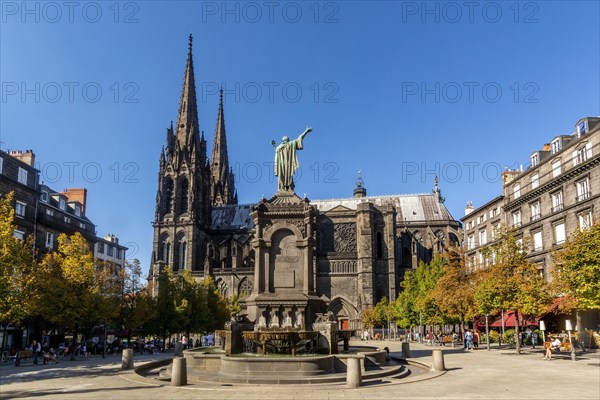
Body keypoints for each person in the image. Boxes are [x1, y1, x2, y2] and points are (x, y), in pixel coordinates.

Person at [271, 126, 312, 192]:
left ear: (282, 140)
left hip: (281, 166)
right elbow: (300, 138)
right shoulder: (291, 144)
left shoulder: (279, 147)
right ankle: (289, 187)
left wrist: (275, 146)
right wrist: (306, 131)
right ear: (288, 140)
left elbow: (276, 155)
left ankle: (282, 188)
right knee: (288, 175)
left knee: (282, 176)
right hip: (288, 165)